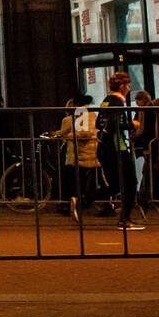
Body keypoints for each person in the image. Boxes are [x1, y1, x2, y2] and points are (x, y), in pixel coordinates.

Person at [96, 71, 144, 231]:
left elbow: (99, 123)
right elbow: (114, 124)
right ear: (122, 86)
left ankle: (84, 198)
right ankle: (125, 220)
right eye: (128, 85)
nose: (129, 88)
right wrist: (133, 125)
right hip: (117, 148)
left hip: (104, 148)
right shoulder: (118, 101)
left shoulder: (106, 101)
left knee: (116, 184)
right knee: (130, 183)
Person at [55, 94, 102, 223]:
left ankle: (79, 202)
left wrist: (68, 135)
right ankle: (79, 202)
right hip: (86, 153)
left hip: (82, 154)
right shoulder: (86, 112)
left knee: (79, 181)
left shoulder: (82, 112)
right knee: (83, 181)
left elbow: (84, 133)